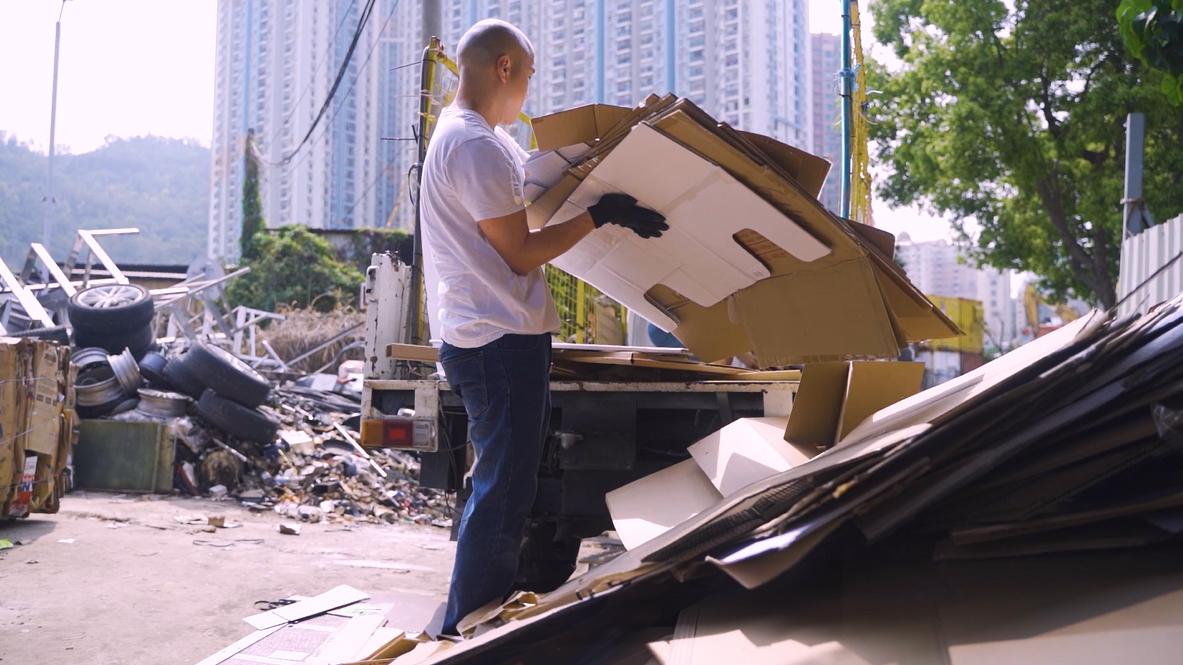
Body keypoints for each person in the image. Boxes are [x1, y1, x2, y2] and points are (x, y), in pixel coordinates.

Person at [418, 19, 667, 636]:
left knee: (499, 482)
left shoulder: (481, 141)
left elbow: (518, 216)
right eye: (527, 76)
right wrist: (598, 214)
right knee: (505, 490)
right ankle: (468, 628)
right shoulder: (472, 145)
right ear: (504, 68)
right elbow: (521, 252)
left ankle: (466, 618)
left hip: (492, 333)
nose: (528, 91)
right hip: (495, 338)